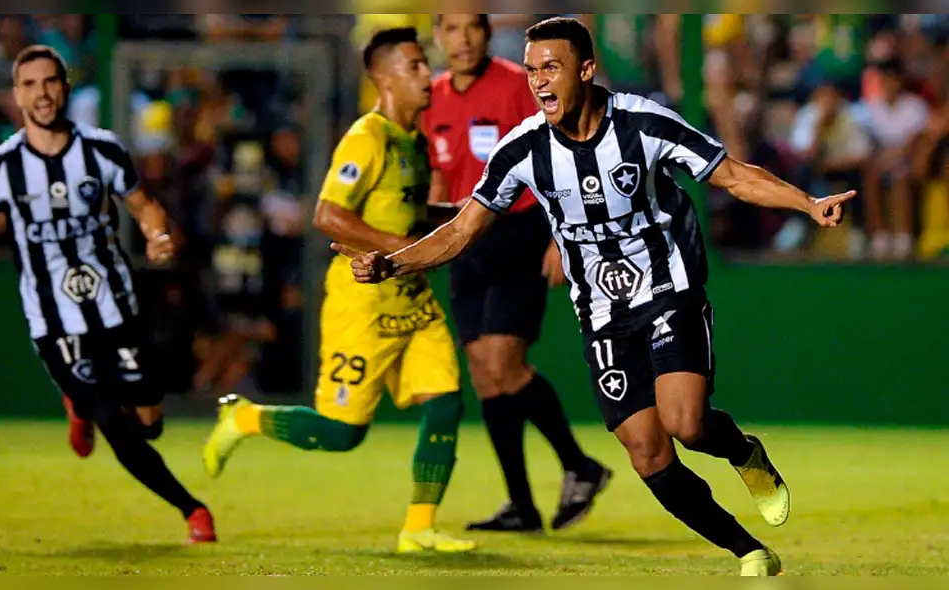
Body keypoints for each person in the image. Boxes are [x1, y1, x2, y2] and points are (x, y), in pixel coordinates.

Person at [333, 18, 857, 576]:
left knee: (686, 422)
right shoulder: (522, 150)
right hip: (602, 315)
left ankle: (745, 453)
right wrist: (392, 263)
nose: (538, 81)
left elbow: (731, 175)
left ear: (585, 70)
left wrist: (807, 203)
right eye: (532, 69)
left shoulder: (642, 122)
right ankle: (748, 549)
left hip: (667, 290)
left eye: (551, 67)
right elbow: (462, 230)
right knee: (648, 454)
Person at [202, 27, 475, 555]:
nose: (428, 74)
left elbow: (414, 215)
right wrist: (399, 245)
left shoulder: (414, 140)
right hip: (363, 302)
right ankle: (243, 417)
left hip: (411, 299)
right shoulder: (366, 138)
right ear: (384, 78)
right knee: (342, 434)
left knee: (445, 403)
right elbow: (328, 215)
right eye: (416, 65)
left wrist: (470, 216)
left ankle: (418, 527)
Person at [0, 45, 216, 543]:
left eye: (49, 81)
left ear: (64, 88)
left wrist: (159, 236)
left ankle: (81, 403)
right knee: (113, 422)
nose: (41, 93)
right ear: (16, 95)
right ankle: (193, 510)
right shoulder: (0, 165)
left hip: (116, 307)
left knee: (149, 422)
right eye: (29, 84)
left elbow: (144, 207)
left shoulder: (102, 150)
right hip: (53, 323)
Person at [423, 13, 611, 533]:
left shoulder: (517, 84)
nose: (461, 40)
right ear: (438, 36)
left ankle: (579, 464)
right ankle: (522, 505)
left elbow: (563, 152)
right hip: (467, 239)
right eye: (451, 29)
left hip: (519, 229)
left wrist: (559, 235)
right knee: (485, 374)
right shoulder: (434, 95)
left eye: (471, 28)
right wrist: (427, 242)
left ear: (486, 33)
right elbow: (442, 176)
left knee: (504, 361)